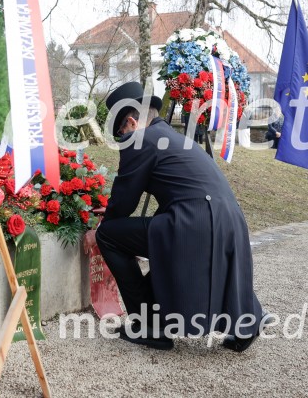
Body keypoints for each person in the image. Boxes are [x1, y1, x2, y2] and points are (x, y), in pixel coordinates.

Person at [87, 81, 264, 352]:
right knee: (159, 240)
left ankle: (149, 325)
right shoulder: (179, 139)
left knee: (109, 236)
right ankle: (245, 324)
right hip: (230, 220)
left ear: (132, 123)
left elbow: (124, 202)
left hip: (195, 222)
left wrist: (106, 220)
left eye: (121, 132)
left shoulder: (141, 139)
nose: (123, 138)